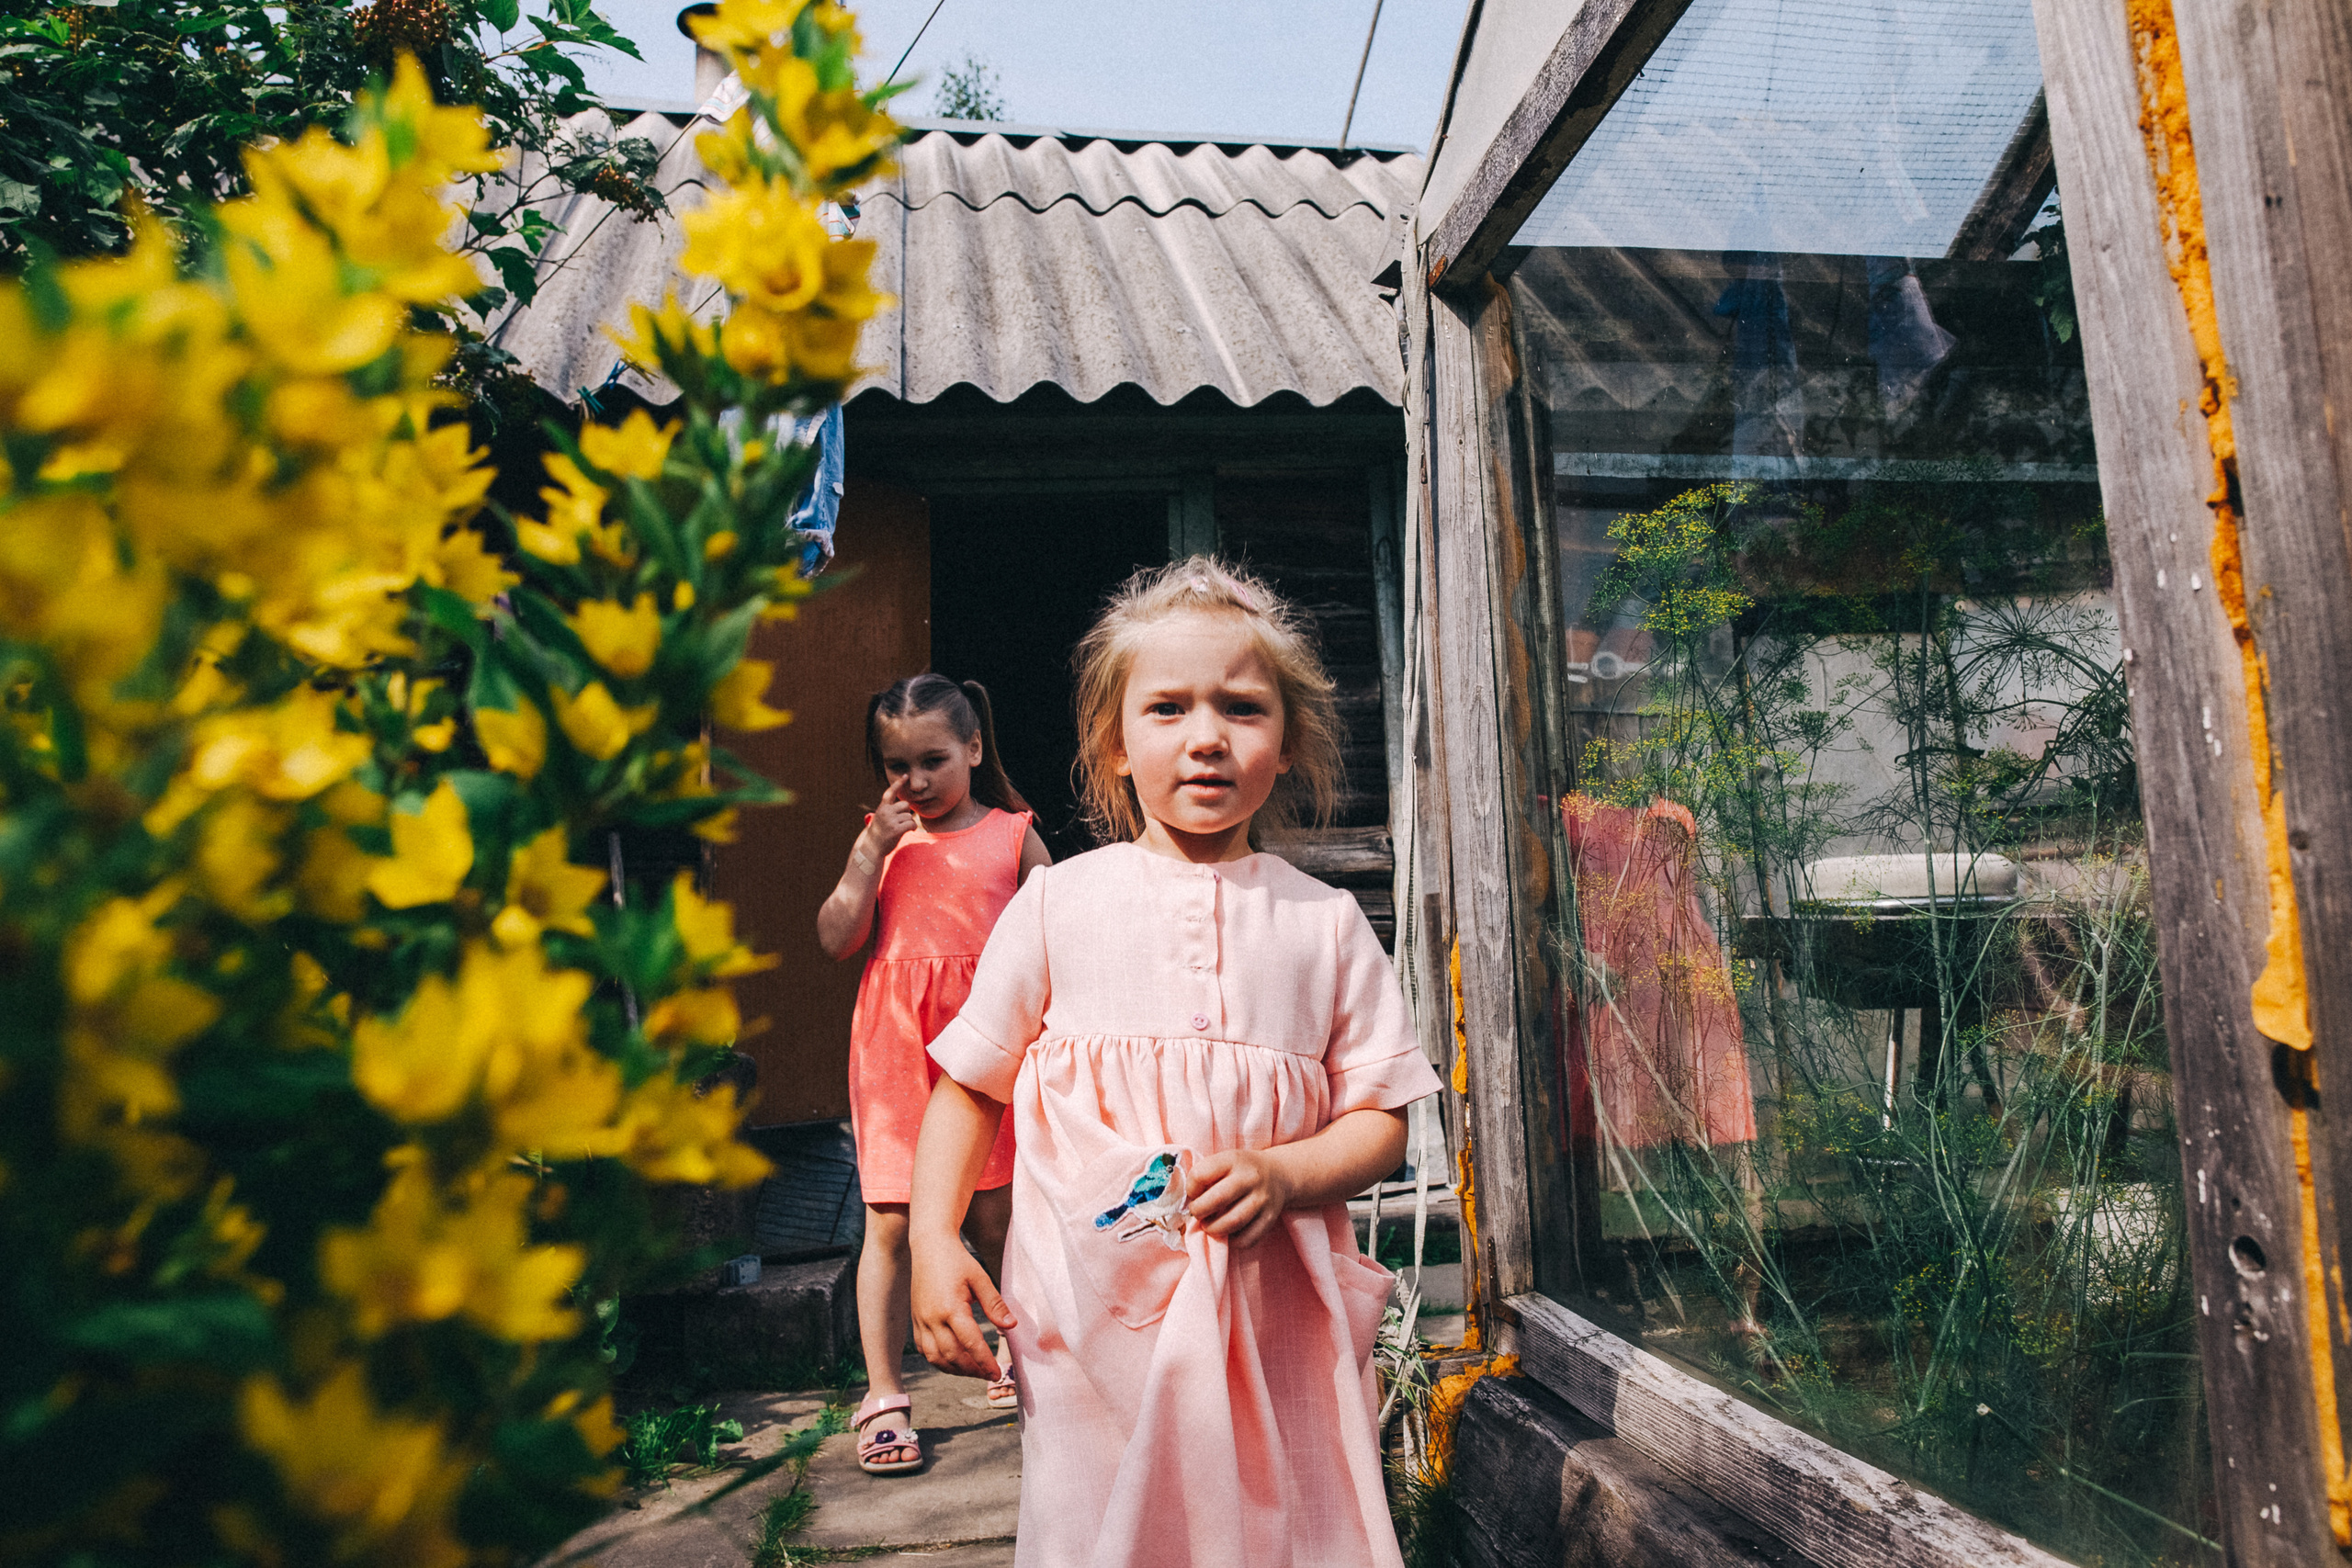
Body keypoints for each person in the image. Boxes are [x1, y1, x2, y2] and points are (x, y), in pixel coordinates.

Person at [907, 558, 1440, 1566]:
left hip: (1270, 1299)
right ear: (1114, 744)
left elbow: (1380, 1121)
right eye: (1166, 709)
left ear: (1285, 747)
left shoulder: (1322, 925)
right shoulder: (1059, 905)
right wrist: (935, 1240)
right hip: (1089, 1307)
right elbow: (968, 1086)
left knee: (1276, 1516)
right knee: (1102, 1522)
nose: (1206, 737)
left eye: (1242, 708)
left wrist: (1288, 1172)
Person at [817, 674, 1051, 1474]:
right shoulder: (884, 842)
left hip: (985, 1049)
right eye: (896, 764)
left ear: (975, 749)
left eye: (932, 760)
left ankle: (1020, 1361)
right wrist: (865, 855)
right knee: (890, 1221)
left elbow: (1056, 944)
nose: (913, 782)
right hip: (895, 1051)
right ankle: (884, 1394)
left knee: (994, 1217)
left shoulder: (1014, 835)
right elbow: (834, 938)